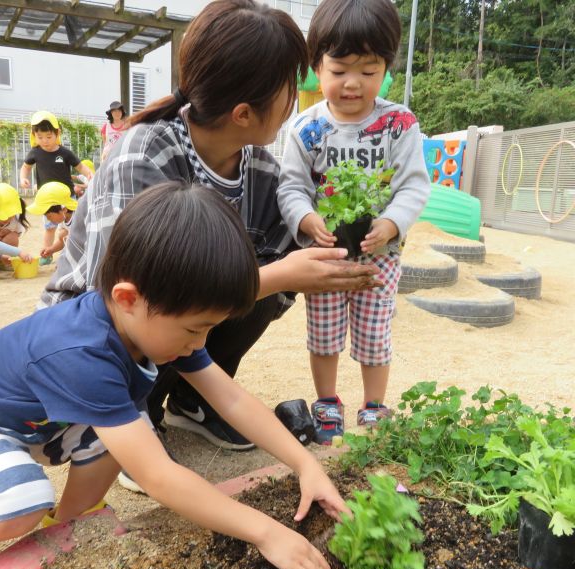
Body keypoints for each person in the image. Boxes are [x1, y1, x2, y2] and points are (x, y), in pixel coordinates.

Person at [0, 183, 348, 569]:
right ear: (128, 297)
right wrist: (266, 531)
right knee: (21, 497)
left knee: (128, 434)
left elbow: (229, 396)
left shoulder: (156, 320)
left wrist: (305, 464)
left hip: (30, 425)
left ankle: (70, 527)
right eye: (196, 329)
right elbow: (157, 477)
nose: (200, 343)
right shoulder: (82, 350)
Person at [40, 0, 381, 482]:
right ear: (244, 112)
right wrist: (280, 274)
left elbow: (298, 247)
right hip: (100, 325)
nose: (294, 100)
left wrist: (349, 242)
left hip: (170, 321)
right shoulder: (145, 151)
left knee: (269, 280)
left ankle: (191, 401)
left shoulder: (258, 168)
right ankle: (128, 416)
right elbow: (123, 296)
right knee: (263, 277)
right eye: (288, 88)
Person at [277, 0, 431, 443]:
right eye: (340, 68)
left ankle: (373, 406)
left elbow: (414, 186)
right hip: (325, 254)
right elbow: (290, 187)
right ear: (317, 66)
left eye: (368, 70)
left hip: (378, 255)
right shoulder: (306, 128)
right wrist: (306, 220)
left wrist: (393, 222)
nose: (352, 83)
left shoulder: (399, 123)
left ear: (386, 67)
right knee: (323, 334)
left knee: (374, 333)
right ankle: (327, 403)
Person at [19, 111, 93, 263]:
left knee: (71, 225)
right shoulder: (35, 152)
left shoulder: (64, 153)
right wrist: (23, 178)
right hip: (46, 198)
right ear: (34, 135)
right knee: (49, 227)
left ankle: (72, 253)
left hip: (66, 196)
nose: (45, 141)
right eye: (40, 137)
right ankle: (47, 254)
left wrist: (90, 174)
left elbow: (79, 166)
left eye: (48, 137)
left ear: (57, 133)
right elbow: (25, 167)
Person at [26, 181, 77, 261]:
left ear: (63, 210)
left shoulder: (78, 218)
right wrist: (51, 250)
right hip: (77, 248)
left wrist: (72, 239)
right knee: (62, 235)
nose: (48, 219)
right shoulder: (63, 219)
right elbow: (62, 241)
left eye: (49, 216)